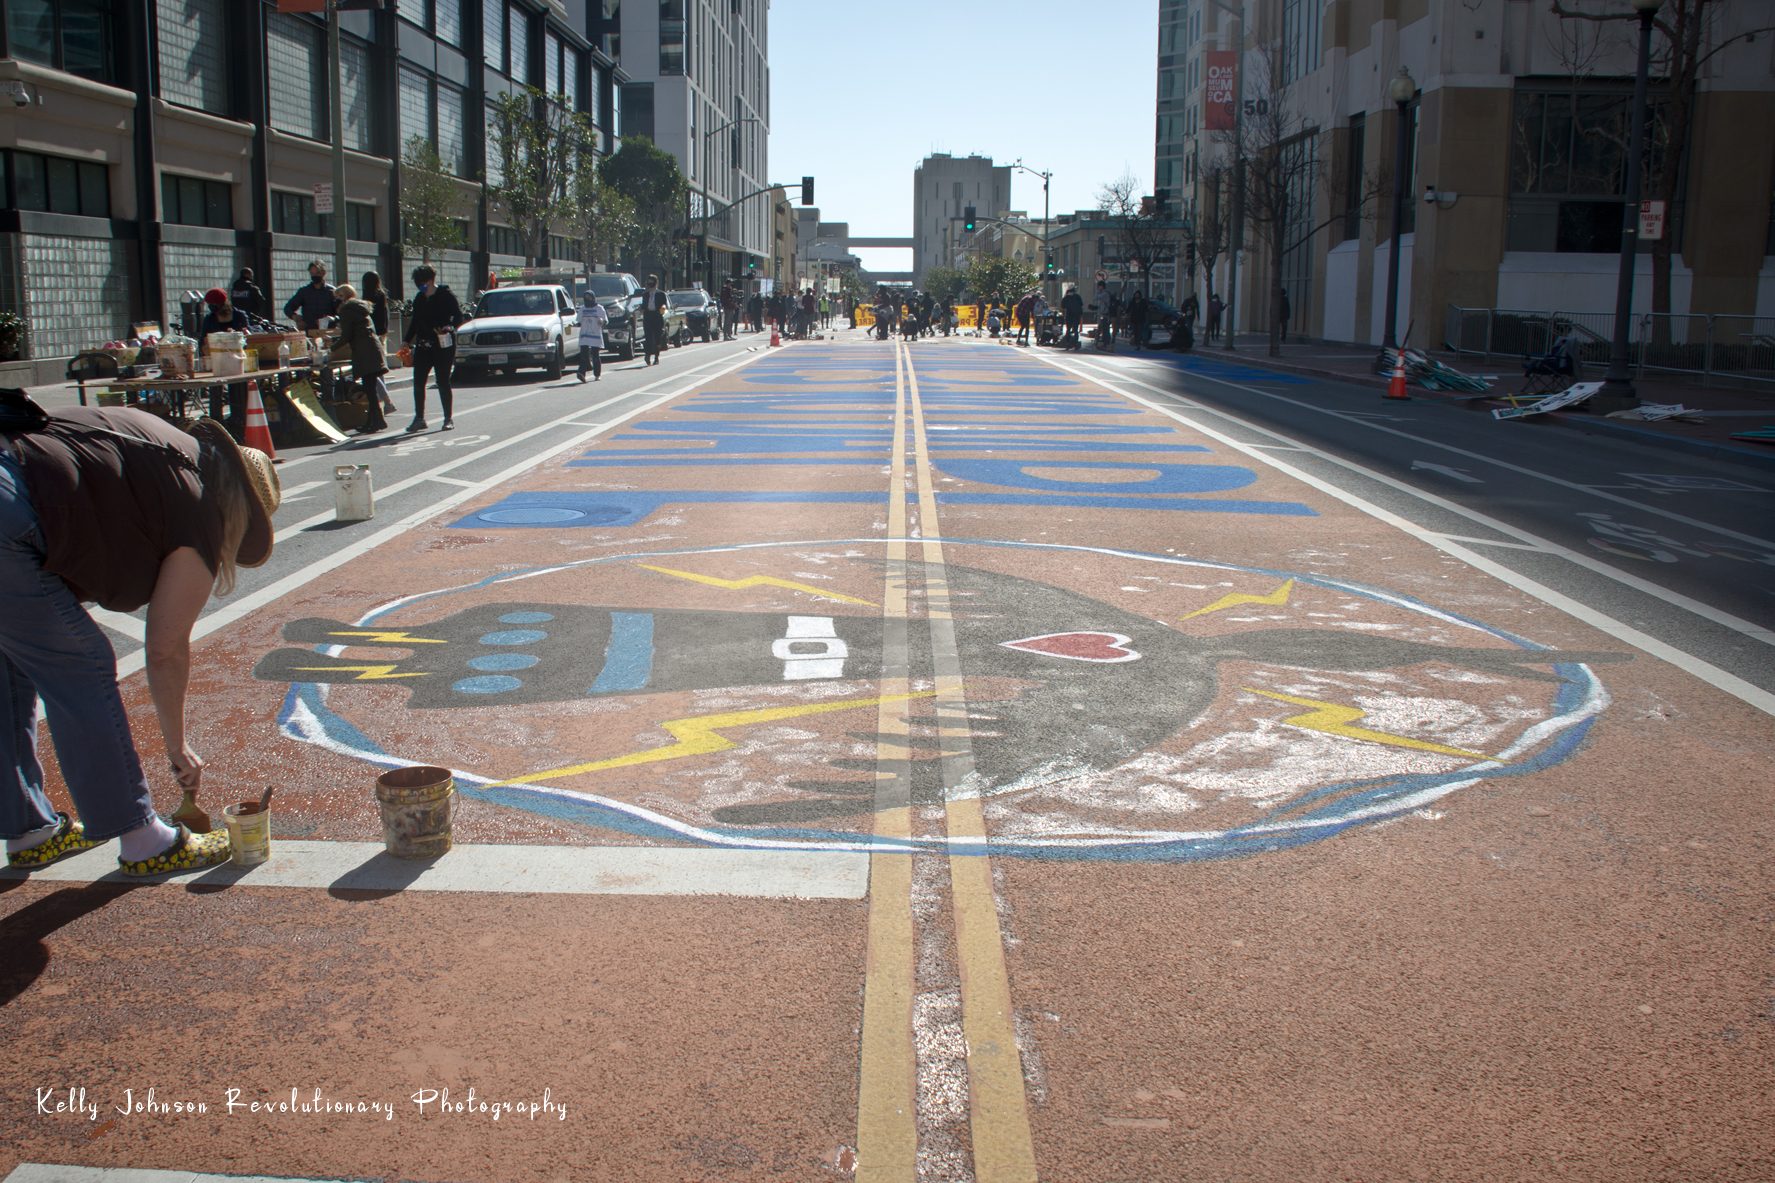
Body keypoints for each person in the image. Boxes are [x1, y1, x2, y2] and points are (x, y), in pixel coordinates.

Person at [1, 392, 280, 877]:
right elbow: (165, 651)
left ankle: (29, 828)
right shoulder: (197, 509)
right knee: (81, 665)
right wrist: (177, 746)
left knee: (10, 674)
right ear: (238, 507)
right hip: (8, 516)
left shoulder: (153, 440)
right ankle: (142, 838)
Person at [402, 264, 463, 432]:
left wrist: (449, 327)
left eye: (421, 284)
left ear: (429, 281)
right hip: (423, 344)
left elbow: (459, 317)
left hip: (442, 344)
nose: (420, 287)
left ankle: (448, 418)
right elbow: (415, 321)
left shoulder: (445, 295)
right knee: (418, 382)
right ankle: (419, 418)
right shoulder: (419, 298)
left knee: (443, 381)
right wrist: (406, 340)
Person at [329, 283, 390, 435]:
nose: (337, 300)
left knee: (369, 388)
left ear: (345, 297)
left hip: (364, 352)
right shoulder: (361, 308)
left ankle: (378, 421)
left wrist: (330, 349)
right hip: (372, 349)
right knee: (370, 387)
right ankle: (373, 421)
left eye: (339, 297)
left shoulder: (347, 311)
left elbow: (346, 336)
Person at [282, 259, 336, 332]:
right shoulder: (304, 292)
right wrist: (295, 317)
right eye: (312, 273)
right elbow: (288, 307)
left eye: (317, 273)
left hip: (328, 331)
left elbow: (341, 313)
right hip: (309, 330)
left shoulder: (332, 292)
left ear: (324, 273)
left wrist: (331, 318)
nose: (314, 276)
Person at [576, 291, 608, 382]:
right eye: (586, 298)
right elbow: (579, 321)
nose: (587, 300)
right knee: (584, 356)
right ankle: (581, 373)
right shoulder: (582, 309)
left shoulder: (599, 308)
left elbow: (605, 320)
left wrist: (602, 321)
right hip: (585, 335)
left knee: (595, 356)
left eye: (589, 297)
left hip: (595, 335)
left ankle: (597, 374)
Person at [638, 274, 668, 365]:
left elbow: (664, 304)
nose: (650, 283)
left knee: (657, 338)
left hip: (657, 316)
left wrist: (663, 307)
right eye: (649, 281)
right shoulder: (645, 294)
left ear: (656, 282)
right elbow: (643, 305)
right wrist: (639, 308)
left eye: (652, 281)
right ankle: (647, 354)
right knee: (648, 337)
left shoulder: (661, 294)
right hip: (648, 316)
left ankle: (656, 356)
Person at [1093, 281, 1118, 352]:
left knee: (1105, 329)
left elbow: (1095, 297)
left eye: (1099, 286)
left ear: (1101, 286)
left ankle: (1106, 344)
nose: (1098, 288)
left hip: (1106, 314)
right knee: (1104, 328)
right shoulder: (1106, 293)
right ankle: (1105, 343)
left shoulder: (1105, 294)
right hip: (1105, 313)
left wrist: (1098, 290)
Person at [1061, 284, 1084, 350]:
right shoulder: (1077, 297)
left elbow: (1062, 306)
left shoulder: (1066, 298)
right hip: (1076, 316)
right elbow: (1081, 304)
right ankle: (1076, 343)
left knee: (1068, 329)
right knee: (1075, 330)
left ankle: (1068, 343)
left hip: (1069, 315)